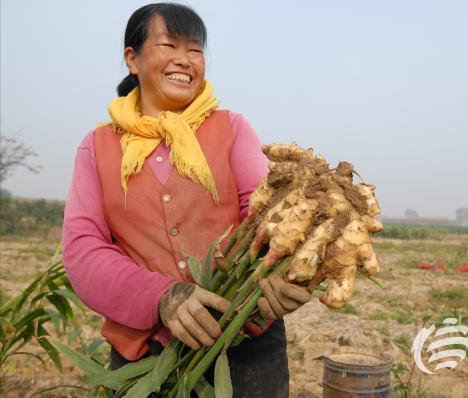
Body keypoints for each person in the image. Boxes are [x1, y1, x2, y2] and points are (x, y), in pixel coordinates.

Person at [62, 3, 311, 396]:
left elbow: (267, 220)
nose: (185, 60)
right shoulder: (98, 147)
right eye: (168, 45)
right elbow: (83, 249)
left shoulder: (231, 128)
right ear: (132, 58)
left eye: (195, 50)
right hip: (143, 357)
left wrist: (277, 277)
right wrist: (162, 297)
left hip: (243, 347)